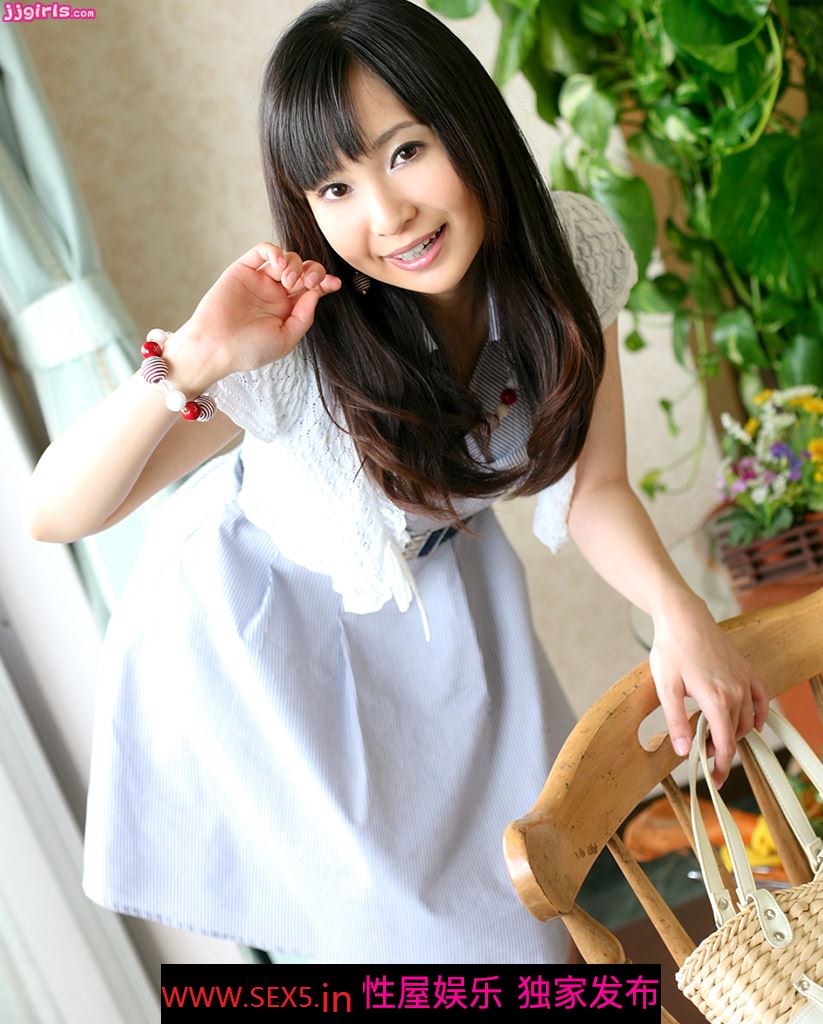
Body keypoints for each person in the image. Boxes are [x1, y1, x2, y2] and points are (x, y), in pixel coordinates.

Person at [25, 0, 769, 965]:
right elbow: (54, 512)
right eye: (334, 187)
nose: (386, 217)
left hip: (445, 603)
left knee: (526, 917)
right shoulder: (298, 341)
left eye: (405, 151)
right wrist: (194, 358)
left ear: (468, 122)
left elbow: (594, 488)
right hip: (268, 635)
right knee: (405, 947)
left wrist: (677, 610)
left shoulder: (569, 252)